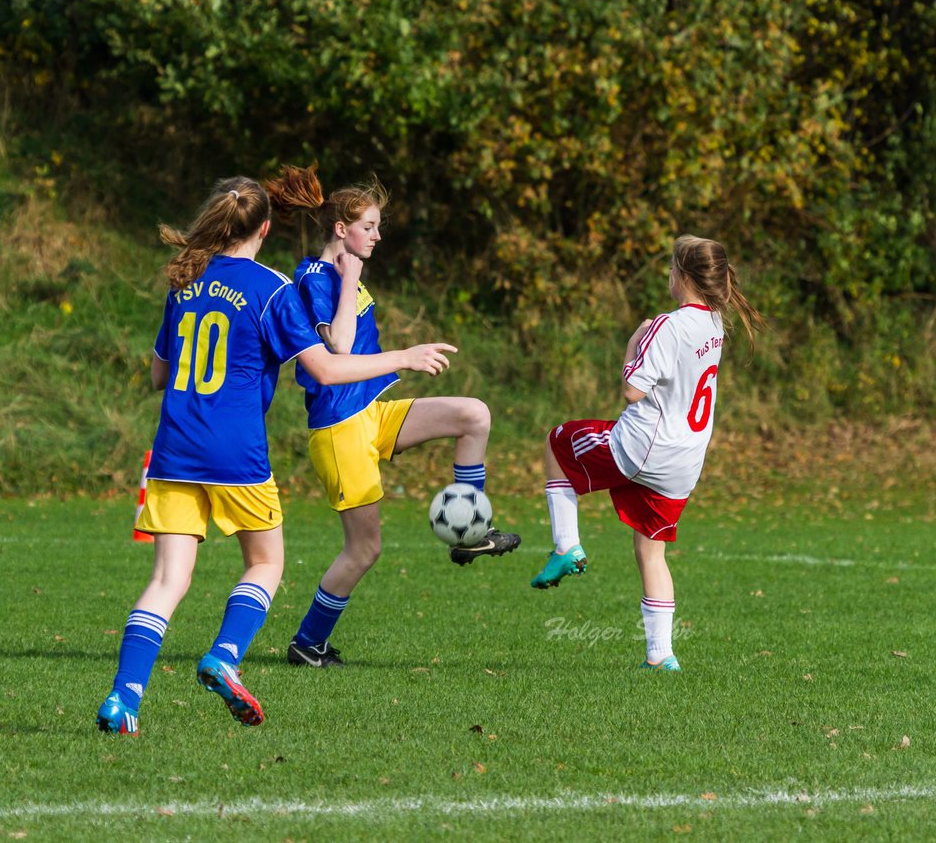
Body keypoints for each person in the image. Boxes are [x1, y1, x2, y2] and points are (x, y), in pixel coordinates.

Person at [96, 177, 455, 735]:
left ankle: (124, 698)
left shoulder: (184, 281)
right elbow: (327, 370)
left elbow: (158, 374)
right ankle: (224, 656)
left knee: (167, 581)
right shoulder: (272, 288)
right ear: (264, 228)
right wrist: (403, 356)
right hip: (235, 450)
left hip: (173, 449)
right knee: (265, 564)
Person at [264, 164, 520, 669]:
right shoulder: (314, 277)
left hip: (372, 412)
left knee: (474, 415)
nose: (378, 236)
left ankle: (468, 534)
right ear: (342, 230)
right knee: (364, 550)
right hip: (338, 427)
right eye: (370, 227)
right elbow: (335, 349)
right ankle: (307, 643)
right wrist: (354, 285)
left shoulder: (341, 274)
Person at [531, 235, 762, 671]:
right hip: (685, 463)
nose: (668, 276)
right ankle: (661, 655)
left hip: (642, 447)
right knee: (650, 549)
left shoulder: (668, 325)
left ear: (683, 276)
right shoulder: (715, 323)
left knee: (557, 442)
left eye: (671, 268)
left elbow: (632, 390)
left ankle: (567, 546)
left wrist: (635, 341)